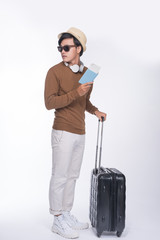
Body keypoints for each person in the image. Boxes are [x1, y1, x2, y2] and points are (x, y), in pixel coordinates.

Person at [44, 27, 106, 239]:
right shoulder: (54, 72)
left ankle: (67, 213)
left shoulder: (87, 72)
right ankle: (57, 219)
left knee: (72, 176)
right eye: (61, 48)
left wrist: (95, 110)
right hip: (62, 131)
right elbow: (49, 102)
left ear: (78, 49)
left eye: (67, 47)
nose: (63, 51)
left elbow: (84, 101)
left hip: (80, 131)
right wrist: (75, 92)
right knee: (60, 176)